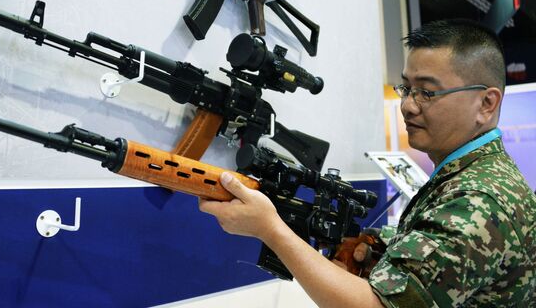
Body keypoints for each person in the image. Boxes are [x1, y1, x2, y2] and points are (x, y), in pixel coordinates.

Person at [199, 19, 536, 307]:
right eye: (406, 88)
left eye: (427, 92)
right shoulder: (468, 177)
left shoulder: (480, 199)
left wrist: (270, 229)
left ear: (486, 104)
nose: (407, 106)